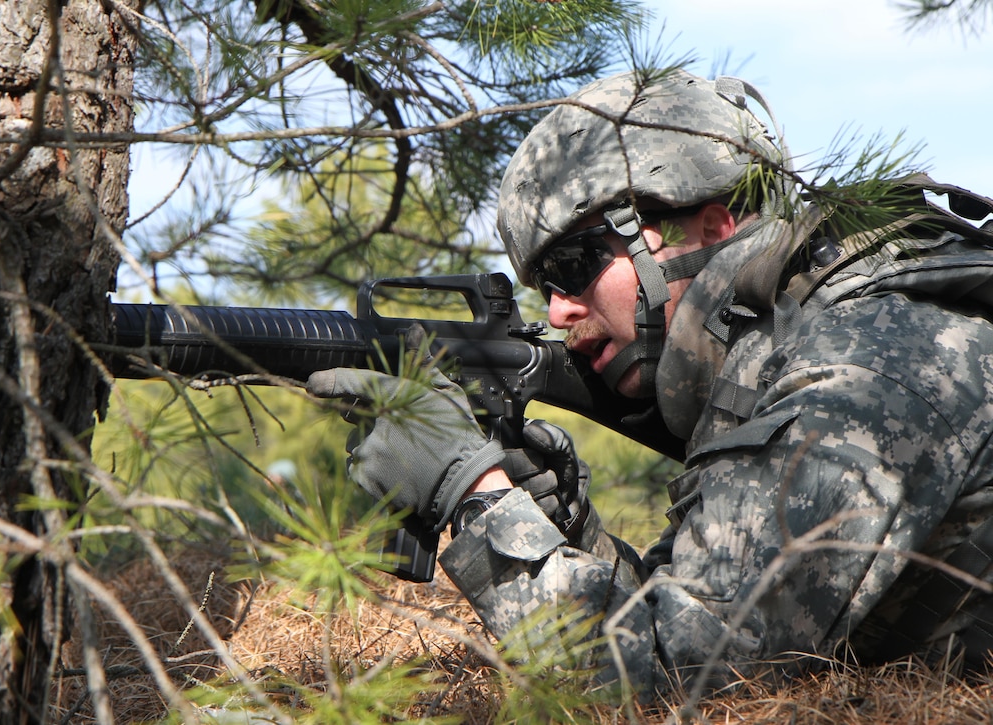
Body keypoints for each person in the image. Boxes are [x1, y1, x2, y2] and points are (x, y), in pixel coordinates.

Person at [307, 67, 993, 697]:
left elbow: (675, 675)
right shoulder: (769, 357)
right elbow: (682, 602)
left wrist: (470, 487)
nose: (557, 310)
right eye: (545, 285)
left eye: (577, 263)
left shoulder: (864, 355)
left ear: (712, 223)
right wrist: (559, 520)